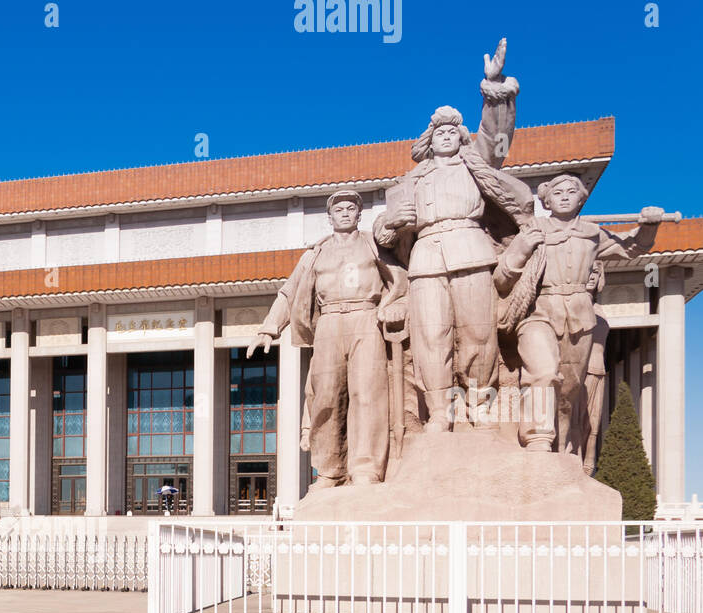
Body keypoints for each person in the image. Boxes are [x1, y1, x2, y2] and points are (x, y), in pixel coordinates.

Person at [372, 39, 534, 432]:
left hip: (472, 252)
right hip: (426, 259)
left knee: (478, 333)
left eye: (452, 131)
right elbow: (380, 233)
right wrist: (392, 224)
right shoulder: (409, 182)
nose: (446, 135)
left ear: (462, 138)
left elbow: (497, 135)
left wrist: (493, 90)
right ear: (428, 141)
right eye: (438, 131)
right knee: (431, 337)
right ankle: (439, 410)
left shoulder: (477, 165)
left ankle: (480, 404)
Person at [494, 174, 663, 455]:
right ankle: (537, 437)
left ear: (581, 199)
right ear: (546, 201)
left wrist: (649, 226)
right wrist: (522, 249)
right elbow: (501, 277)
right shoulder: (533, 229)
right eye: (557, 192)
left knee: (569, 391)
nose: (564, 195)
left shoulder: (592, 233)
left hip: (580, 317)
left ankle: (563, 449)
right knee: (544, 371)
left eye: (571, 191)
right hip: (540, 312)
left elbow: (632, 246)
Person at [248, 189, 406, 488]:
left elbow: (401, 279)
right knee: (325, 396)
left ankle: (365, 468)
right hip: (329, 322)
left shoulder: (374, 246)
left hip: (366, 317)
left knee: (367, 393)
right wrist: (269, 327)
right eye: (339, 209)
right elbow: (289, 291)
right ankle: (329, 470)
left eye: (351, 208)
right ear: (329, 216)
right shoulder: (315, 253)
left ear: (359, 215)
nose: (345, 213)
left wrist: (396, 305)